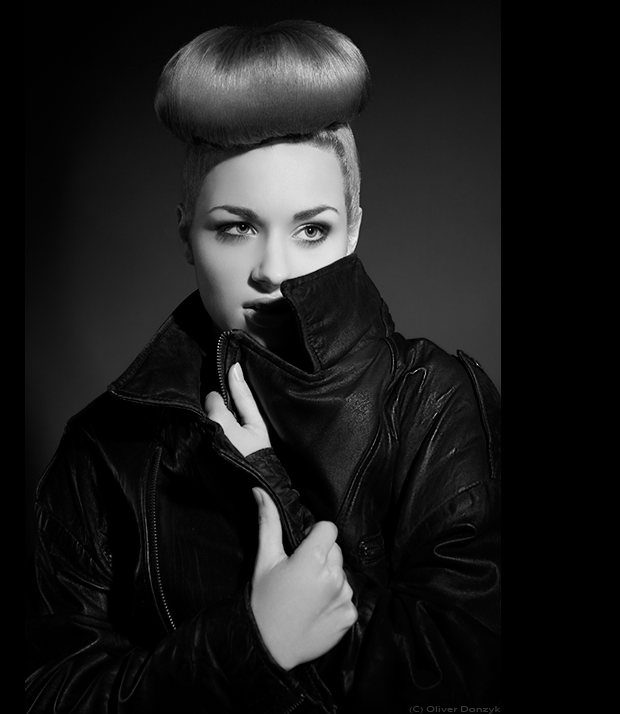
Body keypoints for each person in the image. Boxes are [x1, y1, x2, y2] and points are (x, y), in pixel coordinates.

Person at [25, 20, 501, 713]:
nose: (274, 271)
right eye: (236, 227)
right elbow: (52, 696)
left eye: (312, 229)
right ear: (185, 232)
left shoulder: (433, 401)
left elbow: (464, 686)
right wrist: (251, 643)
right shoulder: (105, 446)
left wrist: (274, 489)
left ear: (354, 227)